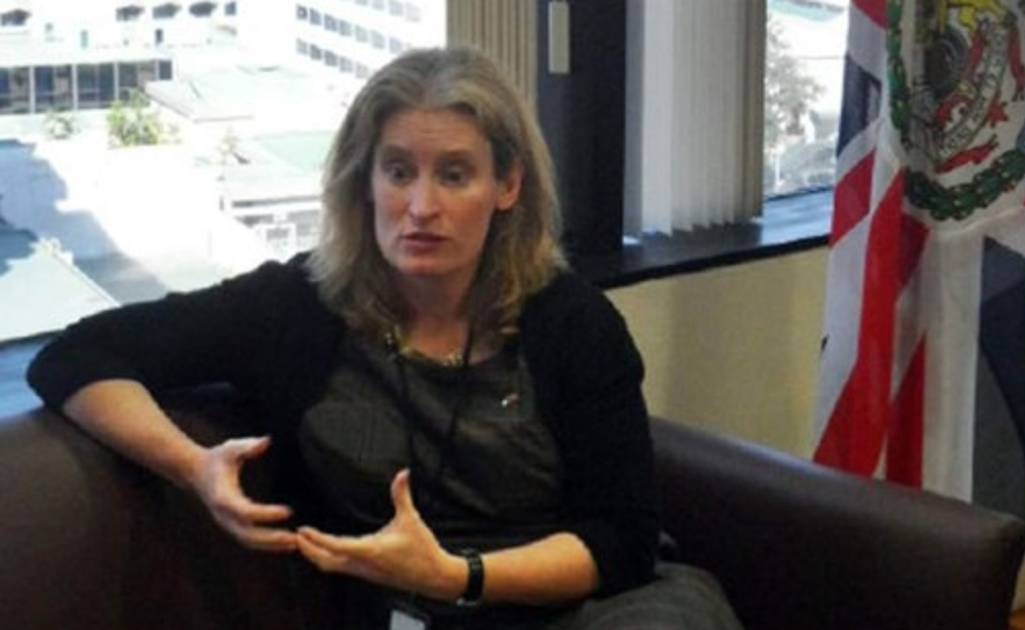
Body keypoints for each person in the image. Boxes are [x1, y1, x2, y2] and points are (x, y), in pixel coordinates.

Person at [27, 47, 741, 629]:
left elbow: (621, 543)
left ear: (507, 186)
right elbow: (76, 357)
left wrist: (458, 575)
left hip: (589, 609)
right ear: (364, 181)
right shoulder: (298, 305)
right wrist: (195, 468)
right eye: (399, 172)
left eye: (455, 174)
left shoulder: (571, 321)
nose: (421, 206)